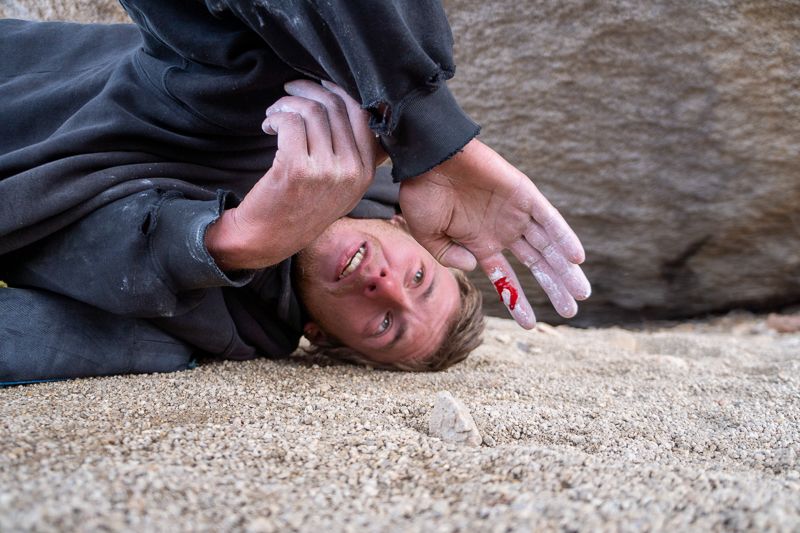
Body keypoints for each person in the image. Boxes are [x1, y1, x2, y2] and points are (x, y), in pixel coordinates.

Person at [0, 0, 591, 383]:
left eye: (386, 325)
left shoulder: (192, 338)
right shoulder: (329, 111)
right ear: (409, 233)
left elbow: (37, 290)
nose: (384, 287)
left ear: (322, 337)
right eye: (418, 279)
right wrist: (429, 131)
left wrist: (234, 242)